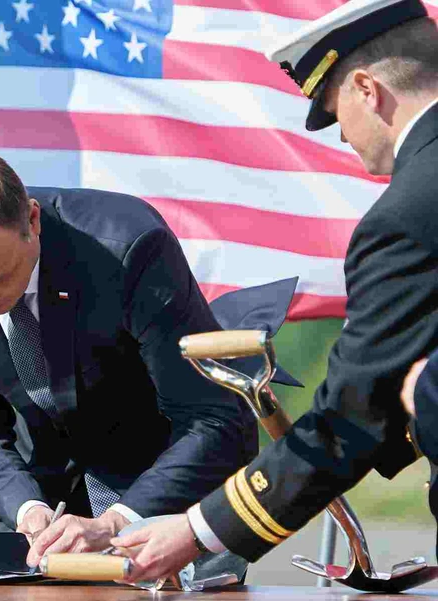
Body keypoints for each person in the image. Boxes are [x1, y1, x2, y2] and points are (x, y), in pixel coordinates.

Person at [111, 0, 438, 582]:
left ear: (368, 90)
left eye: (335, 113)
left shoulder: (405, 217)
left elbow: (350, 418)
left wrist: (197, 531)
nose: (343, 135)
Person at [0, 146, 268, 568]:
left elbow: (212, 416)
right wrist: (27, 511)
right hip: (45, 513)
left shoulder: (128, 246)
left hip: (171, 496)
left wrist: (116, 522)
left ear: (32, 221)